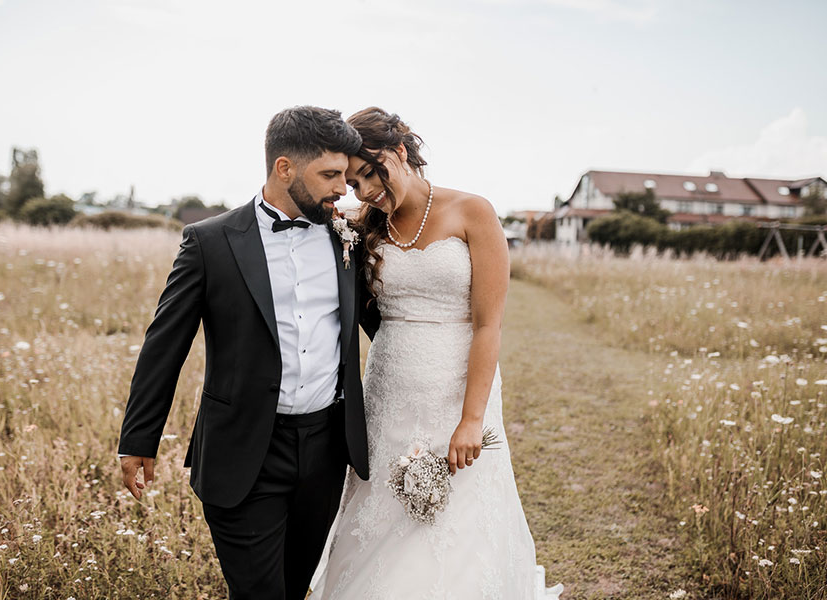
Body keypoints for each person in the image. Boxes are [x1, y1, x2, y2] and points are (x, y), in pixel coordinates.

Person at [117, 106, 380, 599]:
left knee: (296, 584)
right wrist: (138, 439)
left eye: (344, 175)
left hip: (325, 449)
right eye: (329, 175)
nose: (343, 188)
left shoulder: (347, 239)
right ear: (284, 169)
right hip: (243, 451)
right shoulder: (210, 242)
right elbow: (164, 344)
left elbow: (380, 325)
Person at [310, 107, 563, 599]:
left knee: (459, 520)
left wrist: (471, 419)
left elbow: (488, 325)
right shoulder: (362, 229)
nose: (365, 191)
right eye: (354, 183)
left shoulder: (473, 211)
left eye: (370, 173)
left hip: (459, 389)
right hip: (389, 389)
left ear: (400, 152)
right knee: (383, 511)